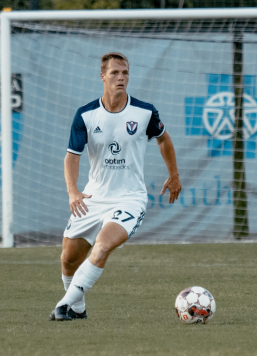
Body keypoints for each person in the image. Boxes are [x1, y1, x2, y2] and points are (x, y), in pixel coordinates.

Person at [49, 52, 181, 321]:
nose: (121, 78)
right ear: (102, 77)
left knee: (103, 245)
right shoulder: (85, 115)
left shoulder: (144, 112)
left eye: (125, 73)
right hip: (93, 197)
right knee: (68, 259)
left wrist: (174, 175)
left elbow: (164, 139)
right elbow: (71, 157)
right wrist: (73, 191)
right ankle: (77, 308)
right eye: (114, 73)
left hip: (129, 199)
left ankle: (63, 305)